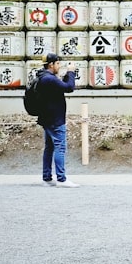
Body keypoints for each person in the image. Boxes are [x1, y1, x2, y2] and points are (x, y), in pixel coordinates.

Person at [37, 53, 79, 187]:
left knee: (49, 148)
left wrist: (67, 74)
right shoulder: (49, 79)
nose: (59, 66)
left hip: (47, 118)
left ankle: (47, 178)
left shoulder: (42, 77)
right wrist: (71, 72)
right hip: (55, 120)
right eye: (57, 64)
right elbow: (69, 87)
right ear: (51, 64)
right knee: (60, 147)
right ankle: (61, 179)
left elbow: (62, 85)